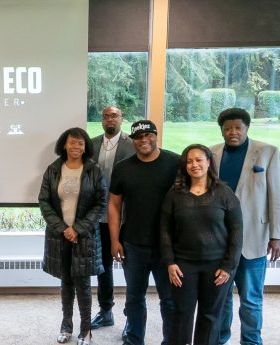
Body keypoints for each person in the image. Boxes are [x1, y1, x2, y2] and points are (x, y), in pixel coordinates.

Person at [211, 108, 280, 345]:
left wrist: (277, 235)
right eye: (227, 128)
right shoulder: (211, 153)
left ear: (246, 128)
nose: (232, 132)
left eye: (238, 128)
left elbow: (278, 197)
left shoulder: (267, 153)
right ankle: (220, 339)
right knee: (221, 299)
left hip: (253, 239)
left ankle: (251, 341)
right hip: (218, 241)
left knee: (251, 299)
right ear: (222, 130)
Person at [160, 144, 243, 345]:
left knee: (211, 315)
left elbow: (237, 232)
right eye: (189, 161)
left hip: (217, 267)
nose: (194, 164)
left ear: (208, 162)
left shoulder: (224, 193)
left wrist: (228, 266)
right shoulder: (174, 194)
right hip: (183, 265)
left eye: (199, 160)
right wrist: (170, 262)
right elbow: (164, 230)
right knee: (182, 313)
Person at [108, 120, 179, 345]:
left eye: (148, 135)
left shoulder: (175, 163)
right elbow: (113, 206)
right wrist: (114, 240)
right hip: (133, 244)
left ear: (156, 136)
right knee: (134, 298)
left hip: (168, 246)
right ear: (133, 140)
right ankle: (134, 339)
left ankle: (172, 341)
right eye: (138, 137)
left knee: (169, 300)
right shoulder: (123, 168)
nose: (144, 140)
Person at [39, 127, 107, 345]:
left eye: (80, 143)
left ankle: (85, 332)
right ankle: (66, 327)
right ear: (64, 145)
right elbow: (44, 201)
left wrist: (77, 228)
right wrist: (63, 228)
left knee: (83, 286)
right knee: (66, 283)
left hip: (83, 237)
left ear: (85, 146)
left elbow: (100, 203)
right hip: (59, 237)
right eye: (72, 142)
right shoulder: (53, 169)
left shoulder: (93, 170)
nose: (76, 147)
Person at [89, 106, 136, 332]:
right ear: (102, 120)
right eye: (106, 116)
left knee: (131, 267)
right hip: (99, 217)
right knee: (103, 267)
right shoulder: (92, 144)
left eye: (114, 116)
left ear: (121, 119)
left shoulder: (132, 143)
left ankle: (132, 316)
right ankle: (106, 311)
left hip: (127, 217)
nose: (110, 119)